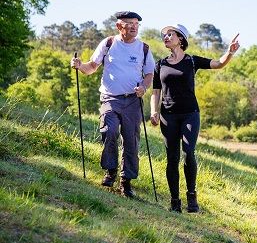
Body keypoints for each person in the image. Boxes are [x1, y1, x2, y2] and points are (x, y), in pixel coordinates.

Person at [150, 24, 240, 213]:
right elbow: (155, 91)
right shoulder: (160, 64)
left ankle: (192, 196)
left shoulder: (192, 61)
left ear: (181, 39)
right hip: (168, 116)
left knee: (188, 152)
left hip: (190, 113)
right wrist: (154, 111)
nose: (166, 37)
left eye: (170, 34)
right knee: (171, 158)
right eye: (164, 35)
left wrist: (229, 52)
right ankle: (175, 201)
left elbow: (218, 64)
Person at [70, 11, 155, 197]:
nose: (133, 27)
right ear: (119, 26)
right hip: (110, 98)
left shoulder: (144, 48)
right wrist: (79, 65)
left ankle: (126, 181)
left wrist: (143, 87)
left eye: (136, 24)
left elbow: (149, 74)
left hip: (132, 100)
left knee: (131, 141)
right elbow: (92, 66)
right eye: (129, 23)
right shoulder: (108, 43)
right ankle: (110, 171)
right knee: (109, 131)